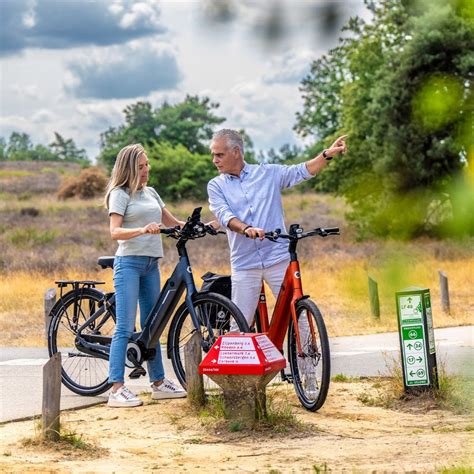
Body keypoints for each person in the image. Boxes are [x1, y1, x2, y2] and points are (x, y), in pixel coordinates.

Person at [207, 129, 347, 327]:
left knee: (298, 317)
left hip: (276, 257)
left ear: (236, 152)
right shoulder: (215, 185)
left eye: (219, 154)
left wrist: (326, 155)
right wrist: (246, 228)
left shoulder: (267, 173)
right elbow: (224, 215)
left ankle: (306, 357)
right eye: (213, 154)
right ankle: (236, 357)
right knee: (240, 325)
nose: (214, 160)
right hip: (245, 262)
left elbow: (302, 170)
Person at [104, 143, 186, 408]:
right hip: (128, 263)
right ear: (129, 168)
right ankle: (116, 388)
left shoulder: (151, 192)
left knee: (153, 326)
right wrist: (142, 230)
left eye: (147, 164)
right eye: (140, 166)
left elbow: (172, 222)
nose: (146, 169)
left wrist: (201, 225)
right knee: (125, 327)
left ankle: (159, 383)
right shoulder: (120, 194)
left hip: (152, 263)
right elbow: (115, 232)